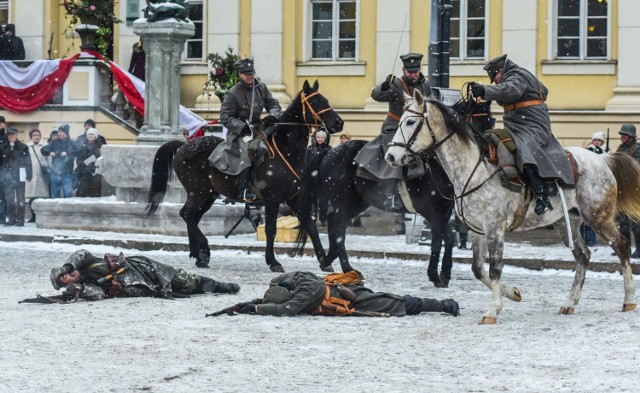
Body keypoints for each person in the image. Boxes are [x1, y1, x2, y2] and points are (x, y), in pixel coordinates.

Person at [470, 54, 575, 216]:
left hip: (531, 125)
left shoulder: (517, 75)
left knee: (522, 150)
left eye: (495, 78)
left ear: (500, 70)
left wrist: (485, 90)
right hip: (519, 124)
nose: (496, 82)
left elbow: (511, 90)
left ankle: (542, 197)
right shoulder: (515, 75)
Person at [355, 52, 433, 210]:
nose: (413, 74)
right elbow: (377, 95)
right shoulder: (396, 84)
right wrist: (383, 87)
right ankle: (391, 194)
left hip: (418, 129)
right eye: (410, 71)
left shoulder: (425, 85)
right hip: (395, 127)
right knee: (395, 156)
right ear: (404, 71)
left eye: (416, 71)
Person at [209, 58, 282, 202]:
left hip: (259, 128)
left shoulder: (261, 88)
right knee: (250, 150)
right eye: (246, 74)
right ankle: (244, 190)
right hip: (241, 133)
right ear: (240, 75)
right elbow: (225, 117)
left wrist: (273, 116)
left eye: (251, 73)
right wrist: (242, 127)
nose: (249, 76)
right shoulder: (233, 93)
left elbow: (273, 104)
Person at [232, 271, 459, 317]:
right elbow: (278, 281)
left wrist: (257, 308)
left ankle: (443, 305)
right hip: (347, 293)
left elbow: (286, 309)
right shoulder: (301, 278)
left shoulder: (306, 293)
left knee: (401, 304)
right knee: (397, 301)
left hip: (354, 298)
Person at [50, 249, 240, 301]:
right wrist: (79, 290)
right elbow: (98, 294)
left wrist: (67, 266)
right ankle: (205, 289)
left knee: (182, 278)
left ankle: (219, 286)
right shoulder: (86, 285)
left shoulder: (85, 262)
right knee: (180, 290)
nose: (69, 274)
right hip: (141, 287)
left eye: (66, 272)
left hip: (140, 268)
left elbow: (80, 253)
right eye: (65, 277)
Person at [615, 124, 640, 258]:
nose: (622, 137)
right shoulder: (620, 148)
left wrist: (622, 162)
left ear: (631, 137)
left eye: (624, 135)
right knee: (622, 222)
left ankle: (639, 249)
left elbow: (636, 166)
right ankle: (625, 248)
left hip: (633, 189)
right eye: (621, 135)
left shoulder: (637, 149)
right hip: (621, 189)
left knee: (635, 222)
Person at [0, 128, 32, 226]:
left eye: (13, 134)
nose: (11, 136)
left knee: (20, 200)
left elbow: (28, 162)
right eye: (9, 134)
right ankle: (11, 219)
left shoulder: (23, 147)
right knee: (9, 200)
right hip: (7, 177)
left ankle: (20, 220)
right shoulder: (2, 147)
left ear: (17, 134)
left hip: (19, 175)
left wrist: (29, 174)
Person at [41, 124, 77, 198]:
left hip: (67, 174)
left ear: (66, 133)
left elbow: (78, 151)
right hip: (55, 173)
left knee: (68, 195)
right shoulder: (54, 142)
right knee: (55, 195)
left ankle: (67, 209)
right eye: (59, 132)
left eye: (61, 132)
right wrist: (49, 152)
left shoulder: (71, 143)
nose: (59, 134)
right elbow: (43, 149)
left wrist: (68, 153)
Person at [306, 131, 331, 226]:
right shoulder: (311, 148)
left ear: (325, 139)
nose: (320, 139)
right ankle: (313, 217)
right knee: (312, 199)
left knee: (323, 200)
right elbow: (307, 162)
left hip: (323, 179)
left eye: (322, 137)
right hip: (312, 178)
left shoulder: (328, 149)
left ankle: (323, 219)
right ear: (316, 138)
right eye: (318, 137)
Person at [25, 128, 50, 223]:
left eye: (38, 135)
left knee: (42, 196)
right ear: (31, 137)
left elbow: (49, 159)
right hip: (31, 174)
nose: (36, 137)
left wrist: (49, 169)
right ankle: (33, 216)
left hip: (42, 174)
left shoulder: (45, 146)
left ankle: (42, 216)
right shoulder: (27, 147)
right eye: (34, 135)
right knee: (32, 196)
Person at [74, 128, 104, 197]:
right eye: (89, 134)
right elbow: (79, 156)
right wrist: (80, 162)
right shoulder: (83, 144)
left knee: (93, 191)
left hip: (93, 171)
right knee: (81, 190)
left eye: (92, 134)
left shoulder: (99, 145)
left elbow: (96, 156)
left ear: (95, 136)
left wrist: (85, 162)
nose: (90, 136)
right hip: (83, 170)